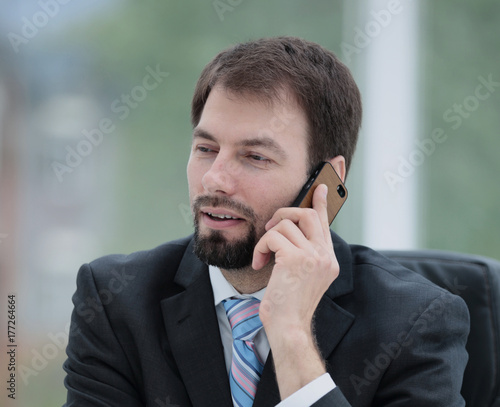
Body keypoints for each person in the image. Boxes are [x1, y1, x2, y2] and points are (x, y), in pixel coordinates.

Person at [63, 36, 469, 406]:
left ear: (326, 181)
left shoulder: (417, 322)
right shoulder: (115, 302)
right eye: (206, 148)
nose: (214, 179)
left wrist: (292, 335)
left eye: (255, 156)